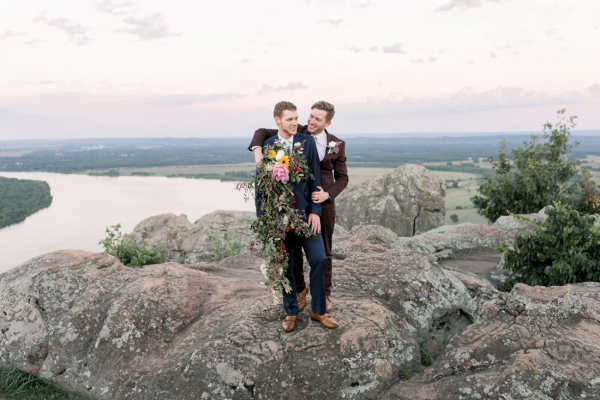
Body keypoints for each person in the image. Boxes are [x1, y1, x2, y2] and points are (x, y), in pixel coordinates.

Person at [249, 101, 348, 313]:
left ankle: (324, 296)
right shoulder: (297, 132)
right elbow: (262, 132)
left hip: (322, 202)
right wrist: (257, 151)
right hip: (290, 207)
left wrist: (324, 199)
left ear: (327, 122)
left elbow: (342, 177)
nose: (310, 121)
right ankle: (298, 294)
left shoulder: (336, 144)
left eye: (317, 119)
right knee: (290, 257)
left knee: (323, 253)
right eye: (310, 116)